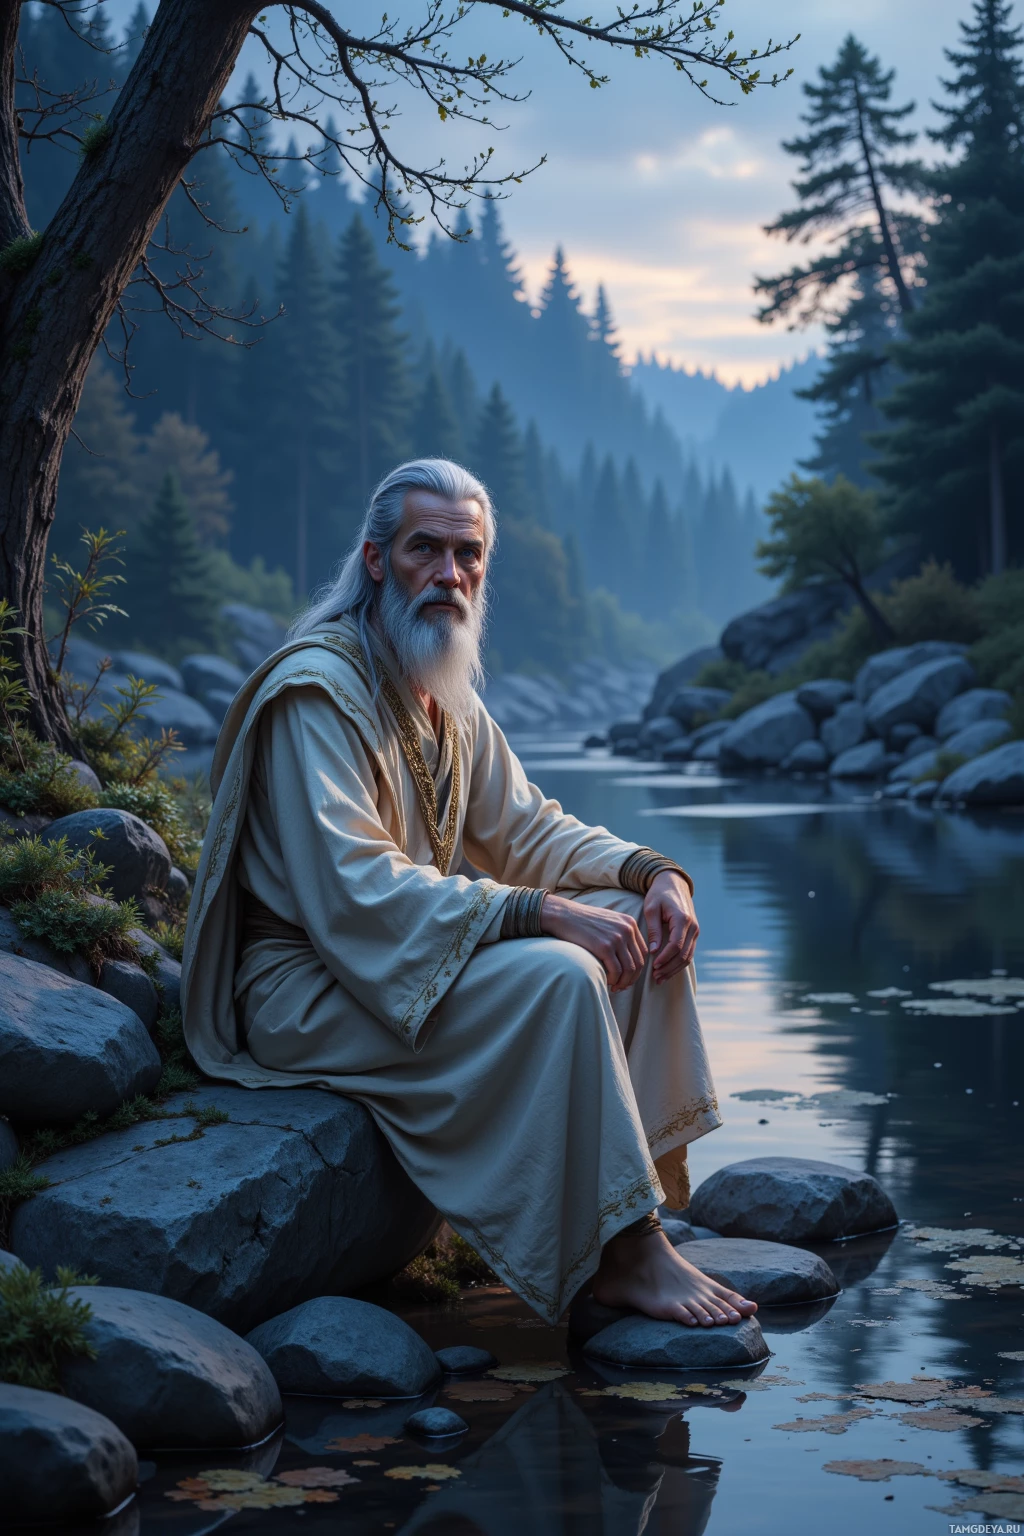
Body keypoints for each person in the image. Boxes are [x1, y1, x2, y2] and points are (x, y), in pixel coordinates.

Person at [182, 458, 756, 1330]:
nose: (450, 575)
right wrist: (532, 911)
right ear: (377, 560)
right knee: (564, 973)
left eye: (469, 555)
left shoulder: (441, 693)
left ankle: (618, 1213)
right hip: (302, 988)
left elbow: (530, 830)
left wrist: (653, 872)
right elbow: (353, 890)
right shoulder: (318, 692)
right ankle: (628, 1248)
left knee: (640, 928)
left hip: (392, 960)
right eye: (426, 550)